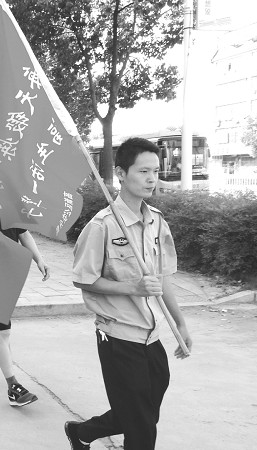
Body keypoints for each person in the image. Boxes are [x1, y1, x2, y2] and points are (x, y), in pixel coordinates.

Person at [66, 137, 193, 450]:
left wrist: (180, 323)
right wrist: (132, 288)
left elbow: (163, 278)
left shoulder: (157, 221)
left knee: (144, 412)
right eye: (143, 171)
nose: (151, 179)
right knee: (141, 427)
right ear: (121, 174)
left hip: (152, 336)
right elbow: (84, 279)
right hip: (118, 336)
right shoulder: (103, 226)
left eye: (155, 171)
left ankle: (82, 432)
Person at [0, 161, 50, 407]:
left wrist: (39, 259)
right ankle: (12, 386)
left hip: (7, 276)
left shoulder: (12, 203)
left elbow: (23, 233)